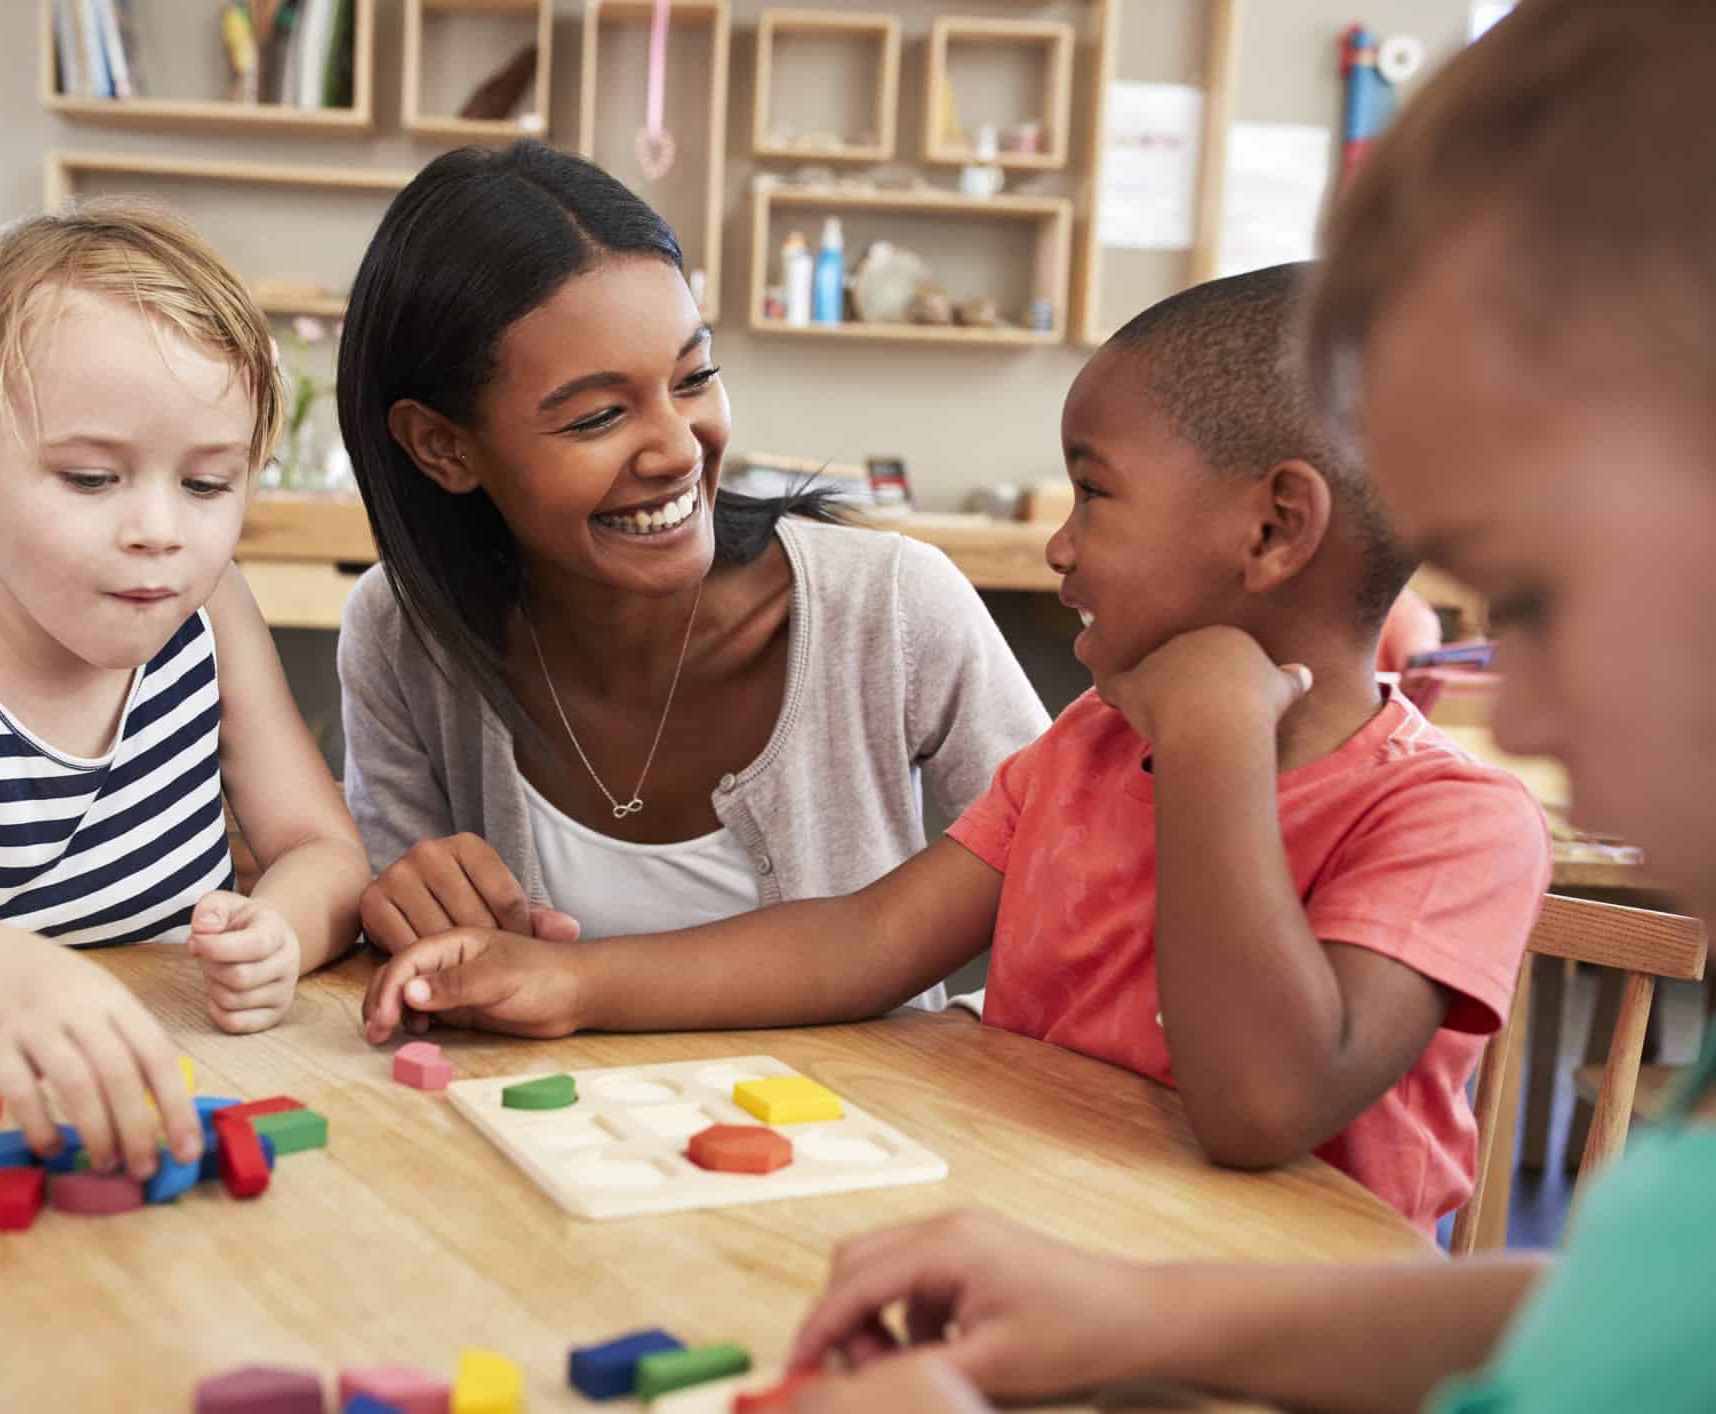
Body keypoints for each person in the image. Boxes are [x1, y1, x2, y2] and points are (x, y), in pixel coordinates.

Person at [788, 3, 1716, 1409]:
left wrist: (1219, 732)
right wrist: (1140, 1318)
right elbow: (1587, 1321)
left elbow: (1266, 1106)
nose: (1512, 713)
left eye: (1530, 590)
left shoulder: (1432, 808)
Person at [362, 262, 1551, 1231]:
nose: (1062, 549)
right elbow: (866, 936)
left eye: (1094, 494)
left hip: (1279, 1340)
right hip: (1040, 1253)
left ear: (1276, 524)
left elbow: (1260, 1105)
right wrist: (574, 982)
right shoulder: (1089, 748)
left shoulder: (1454, 826)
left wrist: (1215, 743)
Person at [336, 141, 1047, 1011]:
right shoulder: (404, 632)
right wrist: (393, 907)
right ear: (444, 447)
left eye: (694, 376)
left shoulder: (891, 605)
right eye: (598, 415)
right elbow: (409, 968)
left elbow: (1073, 889)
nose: (677, 448)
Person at [0, 201, 369, 1181]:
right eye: (92, 476)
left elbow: (323, 849)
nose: (160, 530)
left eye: (206, 486)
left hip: (187, 1096)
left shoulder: (212, 612)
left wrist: (280, 926)